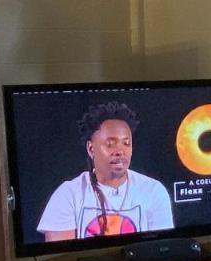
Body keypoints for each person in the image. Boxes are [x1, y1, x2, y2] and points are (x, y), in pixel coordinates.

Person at [38, 101, 174, 241]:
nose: (120, 151)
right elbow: (61, 258)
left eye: (126, 143)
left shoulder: (154, 191)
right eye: (110, 144)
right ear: (91, 149)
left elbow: (160, 252)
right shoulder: (67, 195)